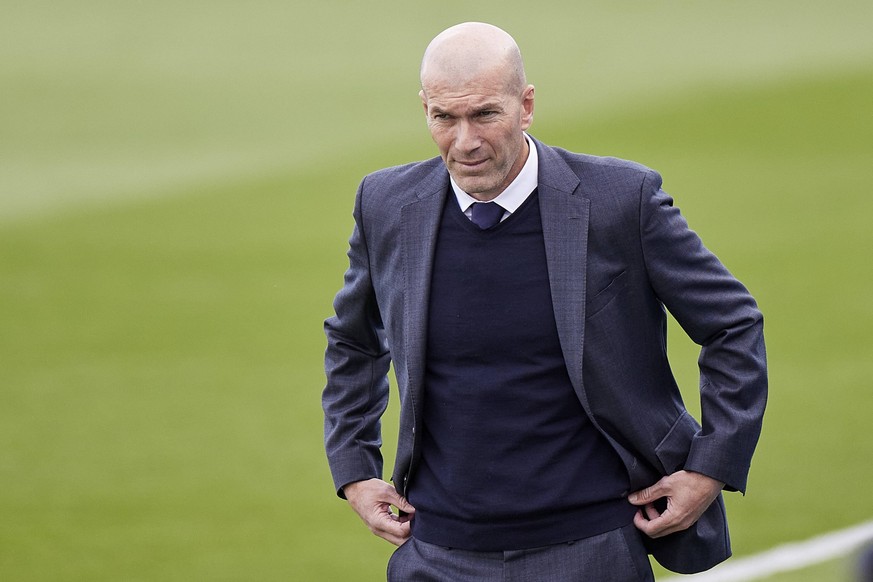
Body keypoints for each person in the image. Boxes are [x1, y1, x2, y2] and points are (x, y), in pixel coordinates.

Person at [322, 22, 767, 581]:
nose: (465, 141)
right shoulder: (385, 203)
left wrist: (710, 468)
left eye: (485, 114)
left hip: (592, 546)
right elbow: (354, 340)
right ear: (425, 110)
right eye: (444, 117)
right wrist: (354, 470)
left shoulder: (621, 201)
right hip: (437, 550)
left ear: (525, 105)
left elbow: (732, 324)